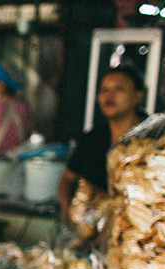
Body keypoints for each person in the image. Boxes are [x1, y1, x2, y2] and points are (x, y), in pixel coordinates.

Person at [57, 64, 146, 221]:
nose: (109, 96)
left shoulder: (153, 137)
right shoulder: (92, 139)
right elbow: (68, 178)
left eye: (118, 89)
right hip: (92, 229)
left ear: (138, 96)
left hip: (135, 229)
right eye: (104, 90)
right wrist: (65, 207)